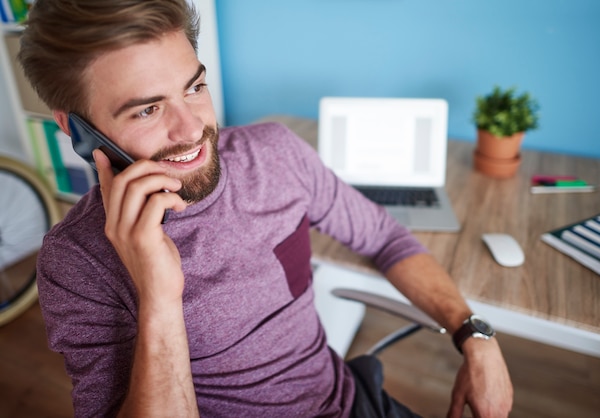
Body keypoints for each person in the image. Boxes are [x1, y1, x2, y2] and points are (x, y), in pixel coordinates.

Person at [21, 1, 513, 416]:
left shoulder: (274, 154)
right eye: (148, 109)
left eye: (194, 87)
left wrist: (476, 336)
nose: (192, 129)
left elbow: (385, 238)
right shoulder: (76, 262)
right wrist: (160, 297)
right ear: (77, 129)